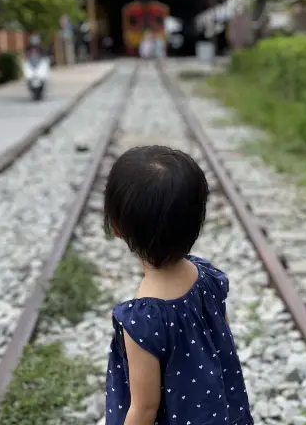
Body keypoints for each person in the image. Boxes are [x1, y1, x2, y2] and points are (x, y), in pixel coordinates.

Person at [103, 146, 254, 425]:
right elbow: (222, 344)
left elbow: (144, 408)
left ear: (117, 227)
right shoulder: (208, 279)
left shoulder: (142, 321)